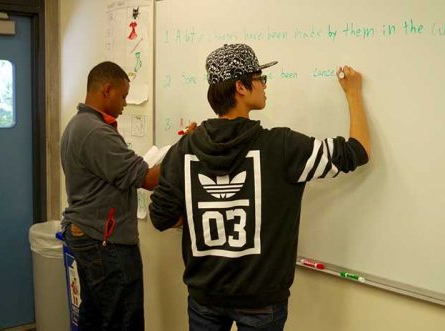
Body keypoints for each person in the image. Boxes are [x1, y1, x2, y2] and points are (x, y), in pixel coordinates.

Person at [149, 44, 370, 331]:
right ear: (240, 87)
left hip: (204, 296)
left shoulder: (186, 147)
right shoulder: (283, 147)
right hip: (261, 301)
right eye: (260, 78)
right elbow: (357, 151)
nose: (265, 86)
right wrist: (353, 93)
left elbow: (161, 216)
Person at [61, 61, 159, 331]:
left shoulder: (77, 125)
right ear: (107, 90)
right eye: (124, 96)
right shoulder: (95, 132)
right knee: (124, 319)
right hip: (106, 242)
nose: (126, 103)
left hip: (89, 235)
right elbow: (148, 179)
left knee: (95, 314)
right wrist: (187, 148)